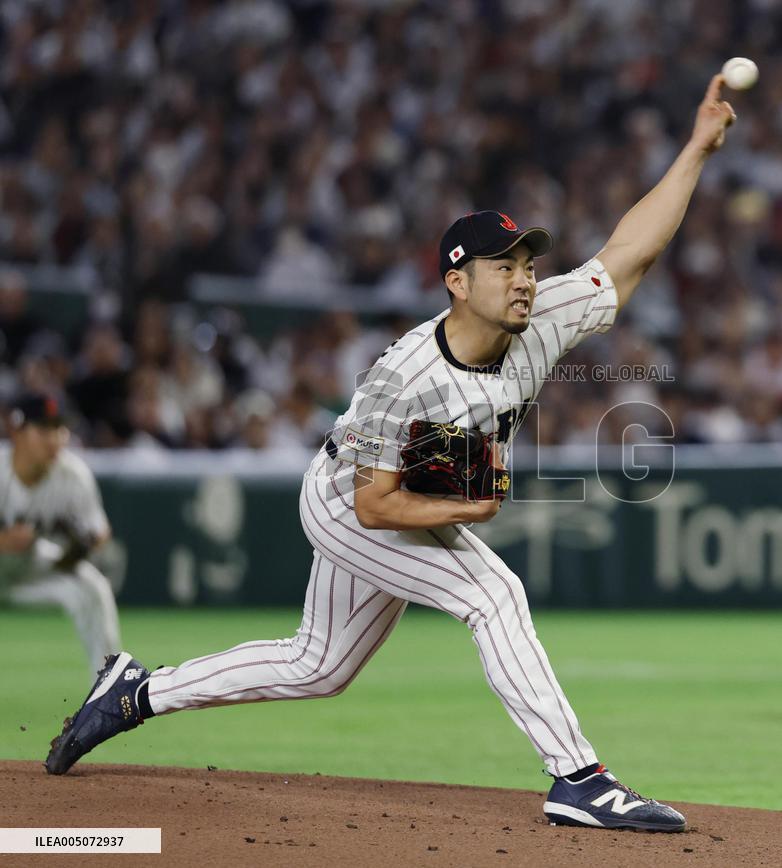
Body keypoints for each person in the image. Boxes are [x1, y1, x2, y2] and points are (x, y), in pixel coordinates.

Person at [45, 76, 736, 833]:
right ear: (456, 282)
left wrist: (696, 150)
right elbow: (375, 504)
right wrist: (469, 506)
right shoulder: (401, 378)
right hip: (349, 502)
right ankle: (578, 779)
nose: (525, 278)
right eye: (504, 265)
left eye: (528, 262)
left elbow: (629, 251)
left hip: (395, 495)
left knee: (319, 666)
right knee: (492, 595)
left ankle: (134, 692)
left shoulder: (540, 318)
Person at [0, 392, 121, 673]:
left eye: (60, 429)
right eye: (44, 429)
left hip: (28, 566)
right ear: (17, 431)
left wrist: (85, 542)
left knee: (93, 587)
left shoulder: (72, 475)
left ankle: (109, 691)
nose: (55, 439)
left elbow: (99, 532)